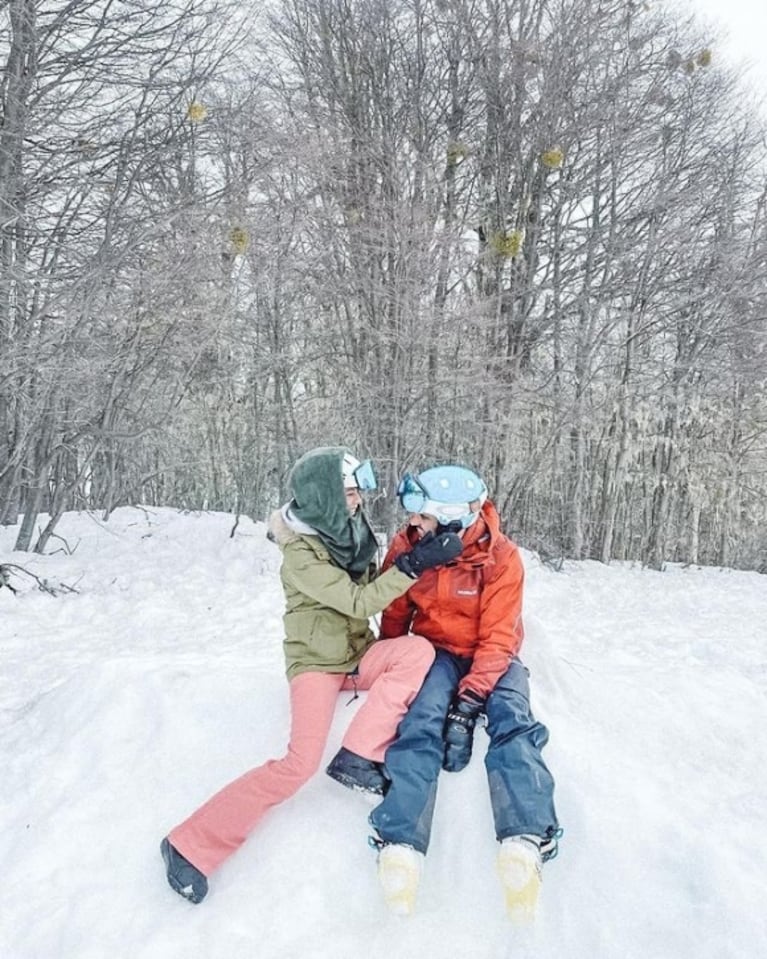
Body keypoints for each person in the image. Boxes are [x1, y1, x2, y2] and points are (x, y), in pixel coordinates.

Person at [160, 446, 463, 904]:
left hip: (357, 655)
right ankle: (189, 844)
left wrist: (421, 548)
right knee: (297, 765)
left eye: (358, 490)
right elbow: (360, 602)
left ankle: (358, 755)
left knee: (416, 652)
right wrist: (414, 566)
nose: (358, 500)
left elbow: (376, 587)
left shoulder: (351, 533)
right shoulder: (300, 553)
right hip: (317, 666)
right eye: (347, 492)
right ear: (321, 497)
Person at [367, 464, 561, 921]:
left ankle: (524, 839)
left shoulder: (501, 557)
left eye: (424, 517)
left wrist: (471, 700)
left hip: (491, 655)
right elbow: (394, 613)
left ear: (454, 519)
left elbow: (498, 638)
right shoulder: (408, 547)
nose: (414, 524)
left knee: (513, 718)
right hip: (434, 651)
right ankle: (400, 842)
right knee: (420, 719)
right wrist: (389, 657)